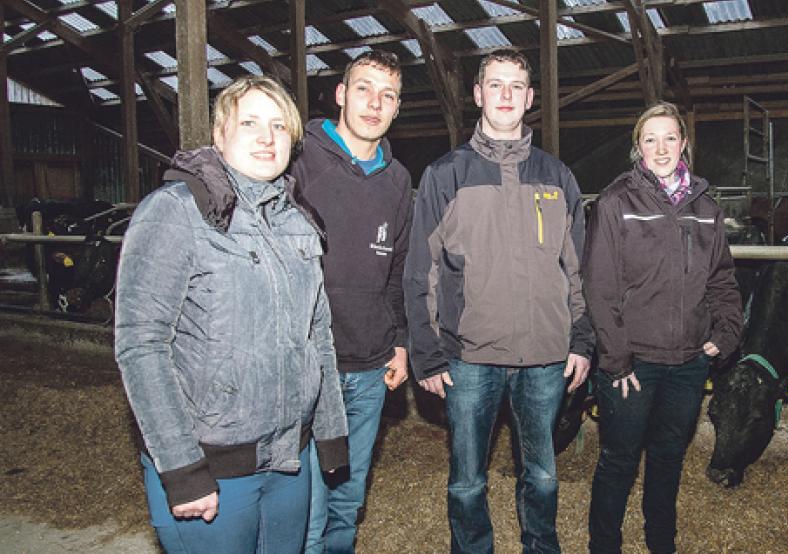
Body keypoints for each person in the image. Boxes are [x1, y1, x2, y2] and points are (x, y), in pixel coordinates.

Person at [114, 75, 348, 554]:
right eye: (250, 123)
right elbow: (141, 345)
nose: (267, 137)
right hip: (212, 466)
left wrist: (329, 434)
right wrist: (182, 469)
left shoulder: (298, 221)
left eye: (280, 126)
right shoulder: (176, 212)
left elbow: (317, 336)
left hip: (290, 461)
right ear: (219, 134)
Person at [403, 48, 594, 553]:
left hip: (546, 355)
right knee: (467, 479)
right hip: (470, 357)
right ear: (478, 94)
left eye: (516, 86)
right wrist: (426, 351)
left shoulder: (559, 177)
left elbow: (578, 269)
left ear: (530, 98)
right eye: (495, 84)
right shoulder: (445, 175)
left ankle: (541, 547)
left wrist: (582, 340)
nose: (505, 94)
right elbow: (419, 270)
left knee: (544, 474)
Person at [583, 101, 743, 554]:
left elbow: (722, 278)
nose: (661, 148)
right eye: (650, 139)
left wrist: (726, 334)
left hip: (688, 363)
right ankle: (604, 548)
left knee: (669, 460)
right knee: (618, 461)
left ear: (684, 144)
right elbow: (600, 287)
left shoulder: (706, 208)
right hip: (633, 364)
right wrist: (615, 363)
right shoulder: (616, 202)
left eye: (670, 137)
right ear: (638, 147)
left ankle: (661, 545)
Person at [290, 50, 411, 554]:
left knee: (347, 495)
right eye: (363, 89)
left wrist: (401, 343)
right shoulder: (298, 159)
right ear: (341, 95)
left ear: (397, 108)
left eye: (387, 95)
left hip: (368, 368)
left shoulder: (399, 180)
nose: (373, 103)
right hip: (306, 362)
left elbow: (399, 271)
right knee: (308, 506)